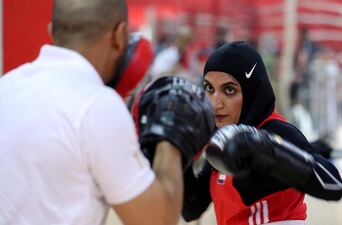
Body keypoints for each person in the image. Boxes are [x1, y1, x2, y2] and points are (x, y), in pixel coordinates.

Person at [0, 1, 213, 225]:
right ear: (119, 36)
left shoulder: (6, 87)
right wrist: (171, 136)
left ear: (52, 31)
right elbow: (155, 220)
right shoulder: (97, 105)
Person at [182, 41, 342, 225]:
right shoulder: (223, 138)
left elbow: (333, 185)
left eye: (229, 90)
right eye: (209, 88)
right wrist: (180, 154)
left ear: (252, 91)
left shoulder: (277, 131)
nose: (215, 103)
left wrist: (269, 151)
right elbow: (191, 209)